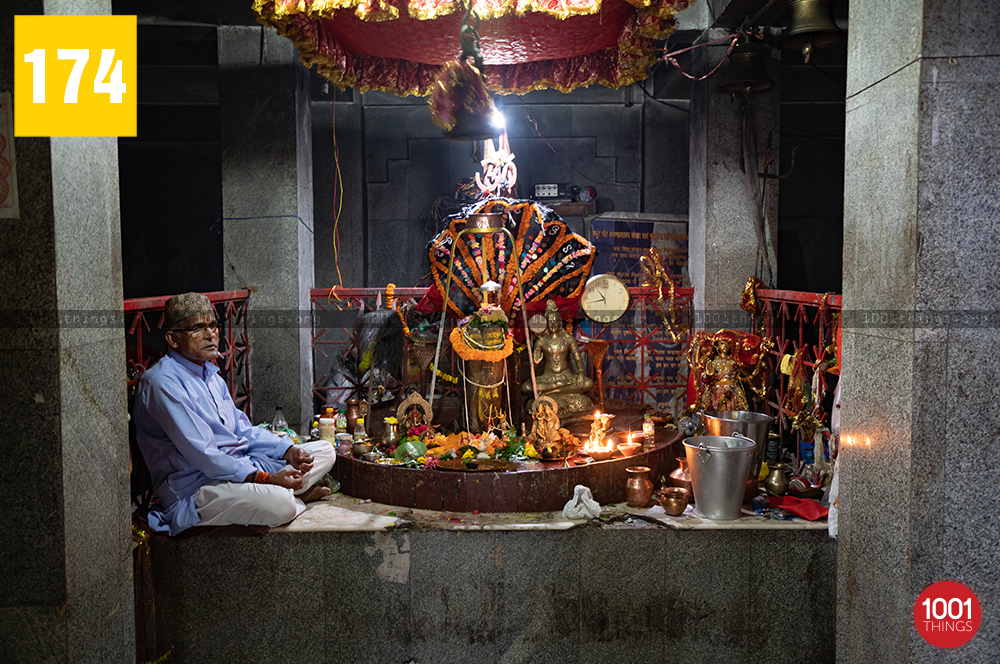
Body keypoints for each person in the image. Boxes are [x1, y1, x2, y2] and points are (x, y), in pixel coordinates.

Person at [133, 293, 335, 536]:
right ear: (173, 339)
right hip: (198, 484)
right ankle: (293, 495)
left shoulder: (210, 375)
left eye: (213, 326)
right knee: (280, 504)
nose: (211, 335)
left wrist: (288, 451)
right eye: (197, 328)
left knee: (325, 451)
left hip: (241, 466)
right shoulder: (163, 383)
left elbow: (243, 431)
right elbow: (205, 457)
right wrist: (266, 478)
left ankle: (287, 491)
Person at [521, 299, 593, 414]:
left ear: (559, 322)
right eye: (550, 322)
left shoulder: (568, 339)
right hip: (548, 378)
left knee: (588, 383)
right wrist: (535, 363)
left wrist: (580, 373)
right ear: (546, 323)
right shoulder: (541, 342)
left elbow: (577, 357)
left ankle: (548, 394)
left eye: (555, 322)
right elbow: (533, 369)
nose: (553, 325)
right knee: (526, 387)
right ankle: (556, 392)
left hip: (566, 377)